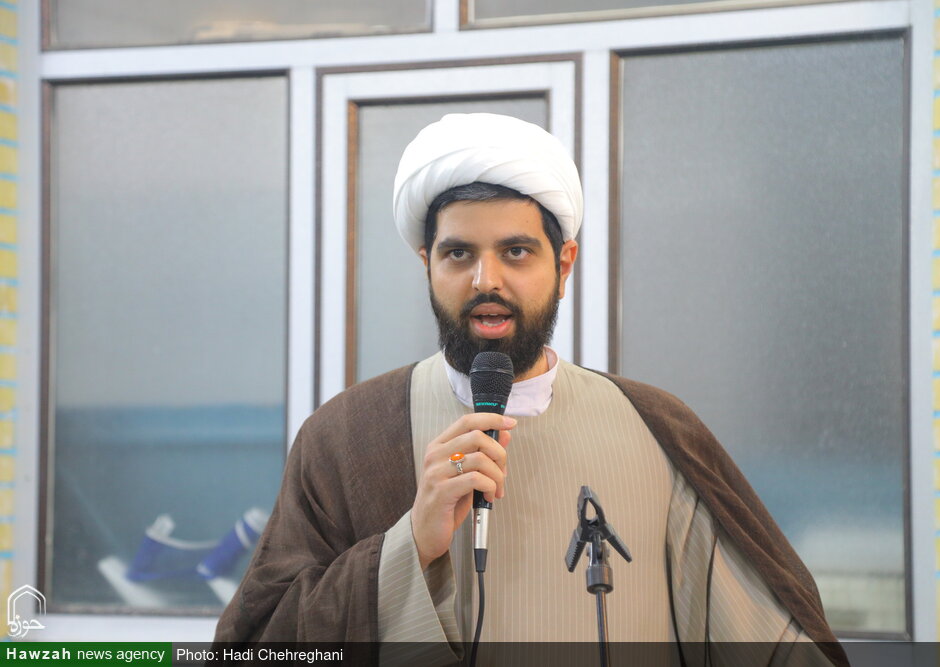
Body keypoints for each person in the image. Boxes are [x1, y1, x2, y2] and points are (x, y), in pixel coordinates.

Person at [214, 113, 848, 667]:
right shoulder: (349, 435)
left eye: (516, 252)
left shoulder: (653, 429)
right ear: (427, 265)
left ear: (563, 264)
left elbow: (767, 642)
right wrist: (410, 545)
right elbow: (258, 646)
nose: (485, 280)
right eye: (459, 255)